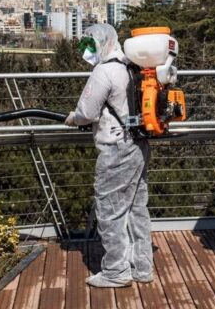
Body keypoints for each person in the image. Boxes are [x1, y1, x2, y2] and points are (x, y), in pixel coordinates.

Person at [64, 23, 154, 288]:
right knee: (137, 208)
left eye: (90, 45)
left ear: (102, 43)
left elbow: (87, 112)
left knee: (110, 210)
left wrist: (73, 118)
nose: (88, 52)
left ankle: (116, 271)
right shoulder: (130, 66)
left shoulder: (104, 71)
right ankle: (142, 266)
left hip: (116, 149)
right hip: (138, 145)